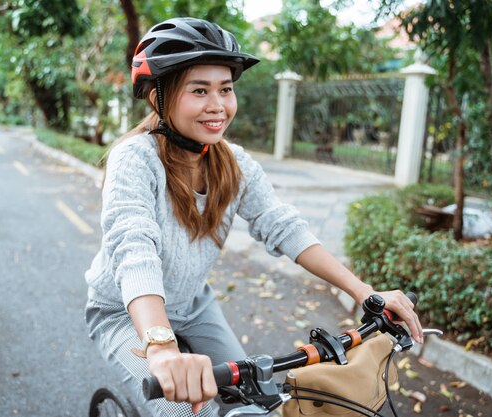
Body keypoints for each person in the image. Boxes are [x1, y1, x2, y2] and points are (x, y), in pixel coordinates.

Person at [84, 16, 423, 417]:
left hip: (193, 305)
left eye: (225, 89)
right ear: (159, 97)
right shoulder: (135, 158)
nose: (218, 105)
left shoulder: (234, 162)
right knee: (189, 411)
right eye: (199, 90)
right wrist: (161, 348)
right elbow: (133, 246)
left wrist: (365, 291)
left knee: (258, 400)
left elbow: (284, 227)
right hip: (123, 313)